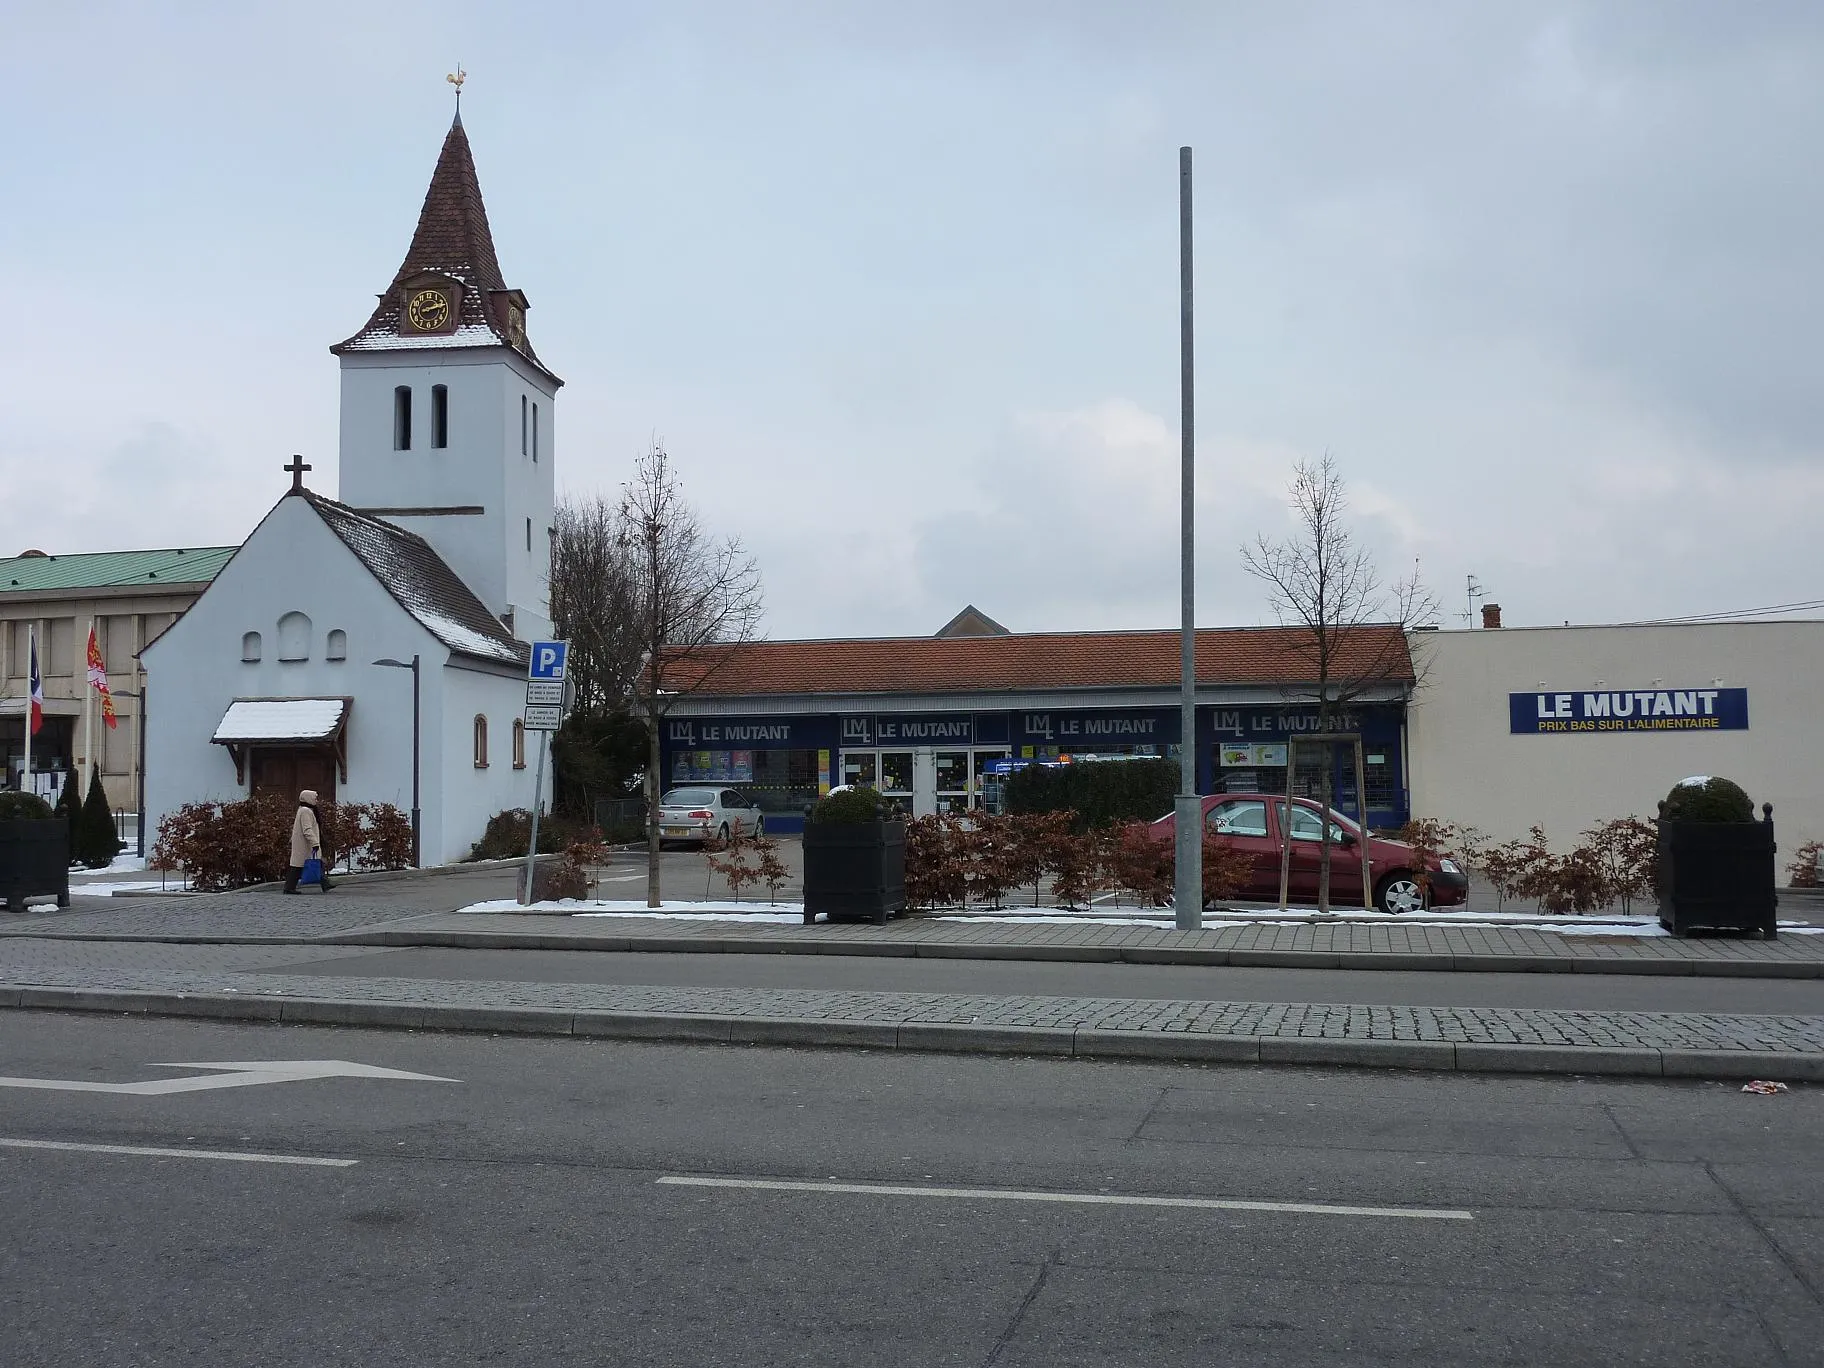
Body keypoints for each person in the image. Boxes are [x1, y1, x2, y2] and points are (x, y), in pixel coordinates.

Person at [282, 789, 335, 893]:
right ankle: (289, 888)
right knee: (299, 866)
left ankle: (325, 884)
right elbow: (307, 829)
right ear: (308, 798)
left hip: (304, 844)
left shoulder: (304, 809)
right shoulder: (306, 811)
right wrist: (315, 843)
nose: (316, 800)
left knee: (311, 863)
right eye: (315, 798)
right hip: (305, 845)